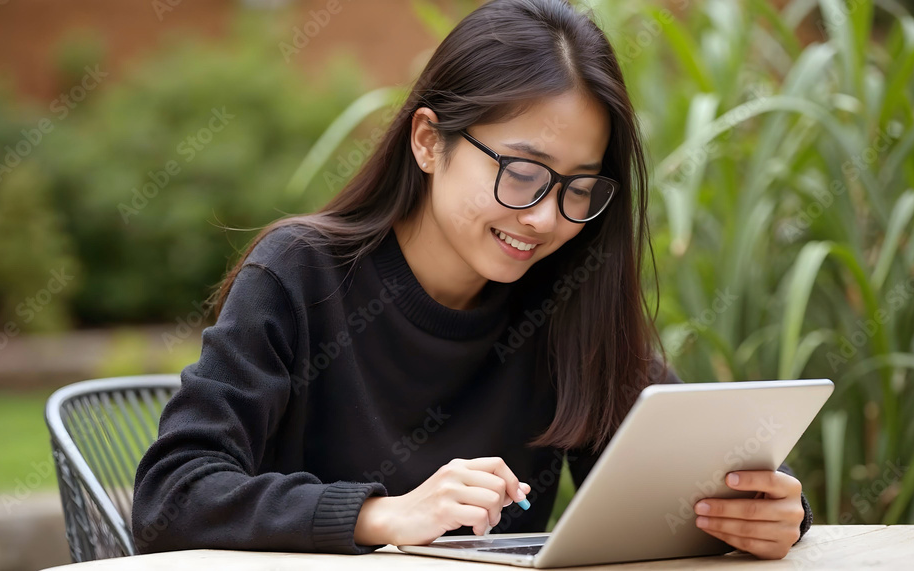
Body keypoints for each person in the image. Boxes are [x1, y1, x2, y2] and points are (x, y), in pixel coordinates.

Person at [131, 0, 812, 561]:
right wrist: (381, 514)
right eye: (521, 172)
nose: (547, 217)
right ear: (429, 142)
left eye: (580, 188)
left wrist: (766, 509)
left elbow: (675, 469)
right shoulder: (299, 275)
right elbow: (172, 497)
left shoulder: (565, 294)